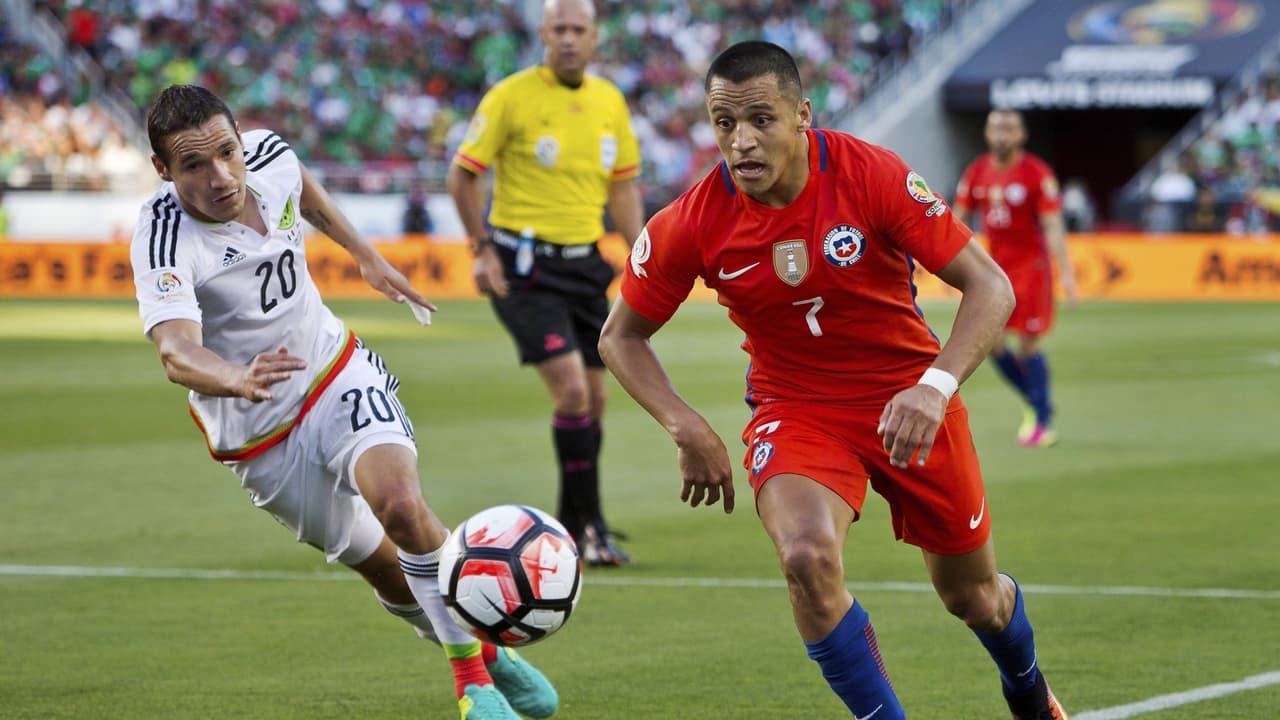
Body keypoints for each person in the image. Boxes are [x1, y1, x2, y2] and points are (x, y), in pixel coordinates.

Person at [599, 42, 1068, 720]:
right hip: (798, 409)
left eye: (761, 119)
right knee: (805, 558)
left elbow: (990, 287)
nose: (741, 141)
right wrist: (686, 425)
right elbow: (620, 336)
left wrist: (934, 387)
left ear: (803, 115)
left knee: (974, 599)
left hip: (911, 399)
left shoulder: (870, 174)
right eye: (724, 123)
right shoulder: (693, 220)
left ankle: (1027, 688)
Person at [130, 84, 558, 720]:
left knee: (402, 506)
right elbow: (175, 351)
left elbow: (303, 189)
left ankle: (471, 682)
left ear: (240, 140)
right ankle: (487, 651)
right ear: (164, 170)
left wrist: (365, 256)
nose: (221, 176)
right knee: (385, 567)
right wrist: (238, 377)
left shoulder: (268, 154)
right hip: (258, 431)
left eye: (227, 152)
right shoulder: (163, 235)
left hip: (332, 369)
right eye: (194, 164)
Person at [446, 0, 645, 566]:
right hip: (525, 267)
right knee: (574, 393)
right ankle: (577, 534)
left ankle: (584, 525)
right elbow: (462, 176)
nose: (569, 38)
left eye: (578, 29)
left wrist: (641, 252)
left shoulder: (609, 101)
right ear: (543, 33)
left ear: (594, 37)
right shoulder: (510, 96)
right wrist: (481, 249)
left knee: (597, 400)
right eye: (559, 28)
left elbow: (623, 187)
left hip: (586, 265)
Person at [954, 108, 1077, 448]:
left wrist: (1067, 275)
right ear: (987, 133)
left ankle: (1041, 422)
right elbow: (956, 219)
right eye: (996, 128)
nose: (1002, 135)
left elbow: (1052, 225)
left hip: (1032, 270)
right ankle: (1037, 402)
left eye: (1009, 129)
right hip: (995, 270)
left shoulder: (1036, 174)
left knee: (1027, 345)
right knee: (992, 344)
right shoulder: (977, 172)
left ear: (1022, 135)